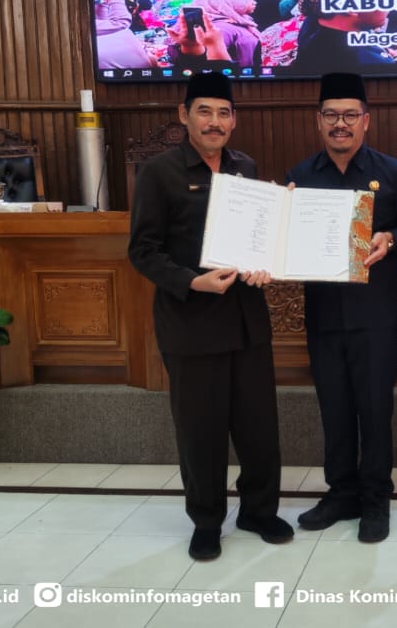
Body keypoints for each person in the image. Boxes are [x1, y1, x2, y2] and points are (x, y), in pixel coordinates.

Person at [127, 74, 293, 562]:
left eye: (223, 113)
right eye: (204, 111)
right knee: (200, 431)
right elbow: (142, 251)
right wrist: (191, 281)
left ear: (234, 120)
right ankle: (206, 521)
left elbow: (256, 239)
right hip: (191, 323)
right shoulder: (159, 173)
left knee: (259, 428)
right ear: (184, 115)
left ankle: (258, 511)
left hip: (245, 321)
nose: (214, 122)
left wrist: (263, 263)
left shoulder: (245, 167)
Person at [285, 73, 397, 542]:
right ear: (318, 121)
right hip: (324, 314)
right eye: (331, 115)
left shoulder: (393, 173)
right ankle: (341, 493)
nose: (340, 124)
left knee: (374, 408)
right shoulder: (301, 177)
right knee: (335, 408)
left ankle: (375, 499)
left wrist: (391, 237)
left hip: (375, 316)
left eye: (350, 115)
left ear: (366, 120)